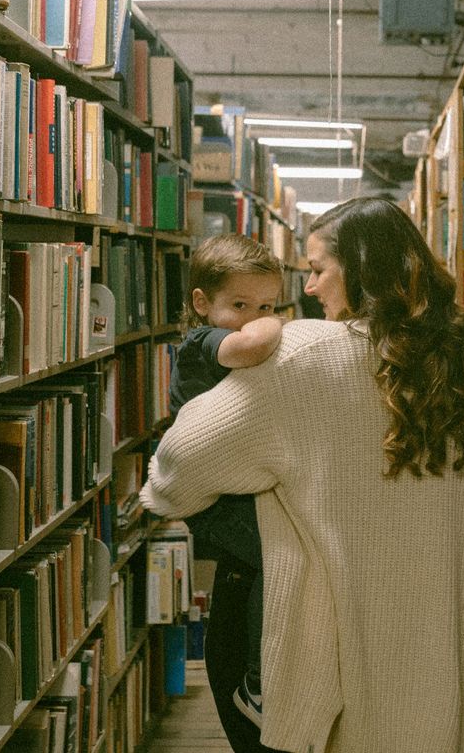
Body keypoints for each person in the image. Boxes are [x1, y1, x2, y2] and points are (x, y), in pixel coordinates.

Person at [143, 197, 464, 753]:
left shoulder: (300, 356)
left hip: (306, 664)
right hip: (437, 667)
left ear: (362, 269)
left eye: (319, 270)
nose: (310, 288)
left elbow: (178, 470)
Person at [168, 233, 286, 727]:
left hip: (233, 490)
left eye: (266, 304)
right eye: (239, 304)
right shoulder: (204, 343)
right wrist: (281, 325)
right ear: (202, 304)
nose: (254, 316)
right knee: (282, 558)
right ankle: (259, 683)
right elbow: (251, 345)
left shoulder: (226, 334)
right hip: (214, 501)